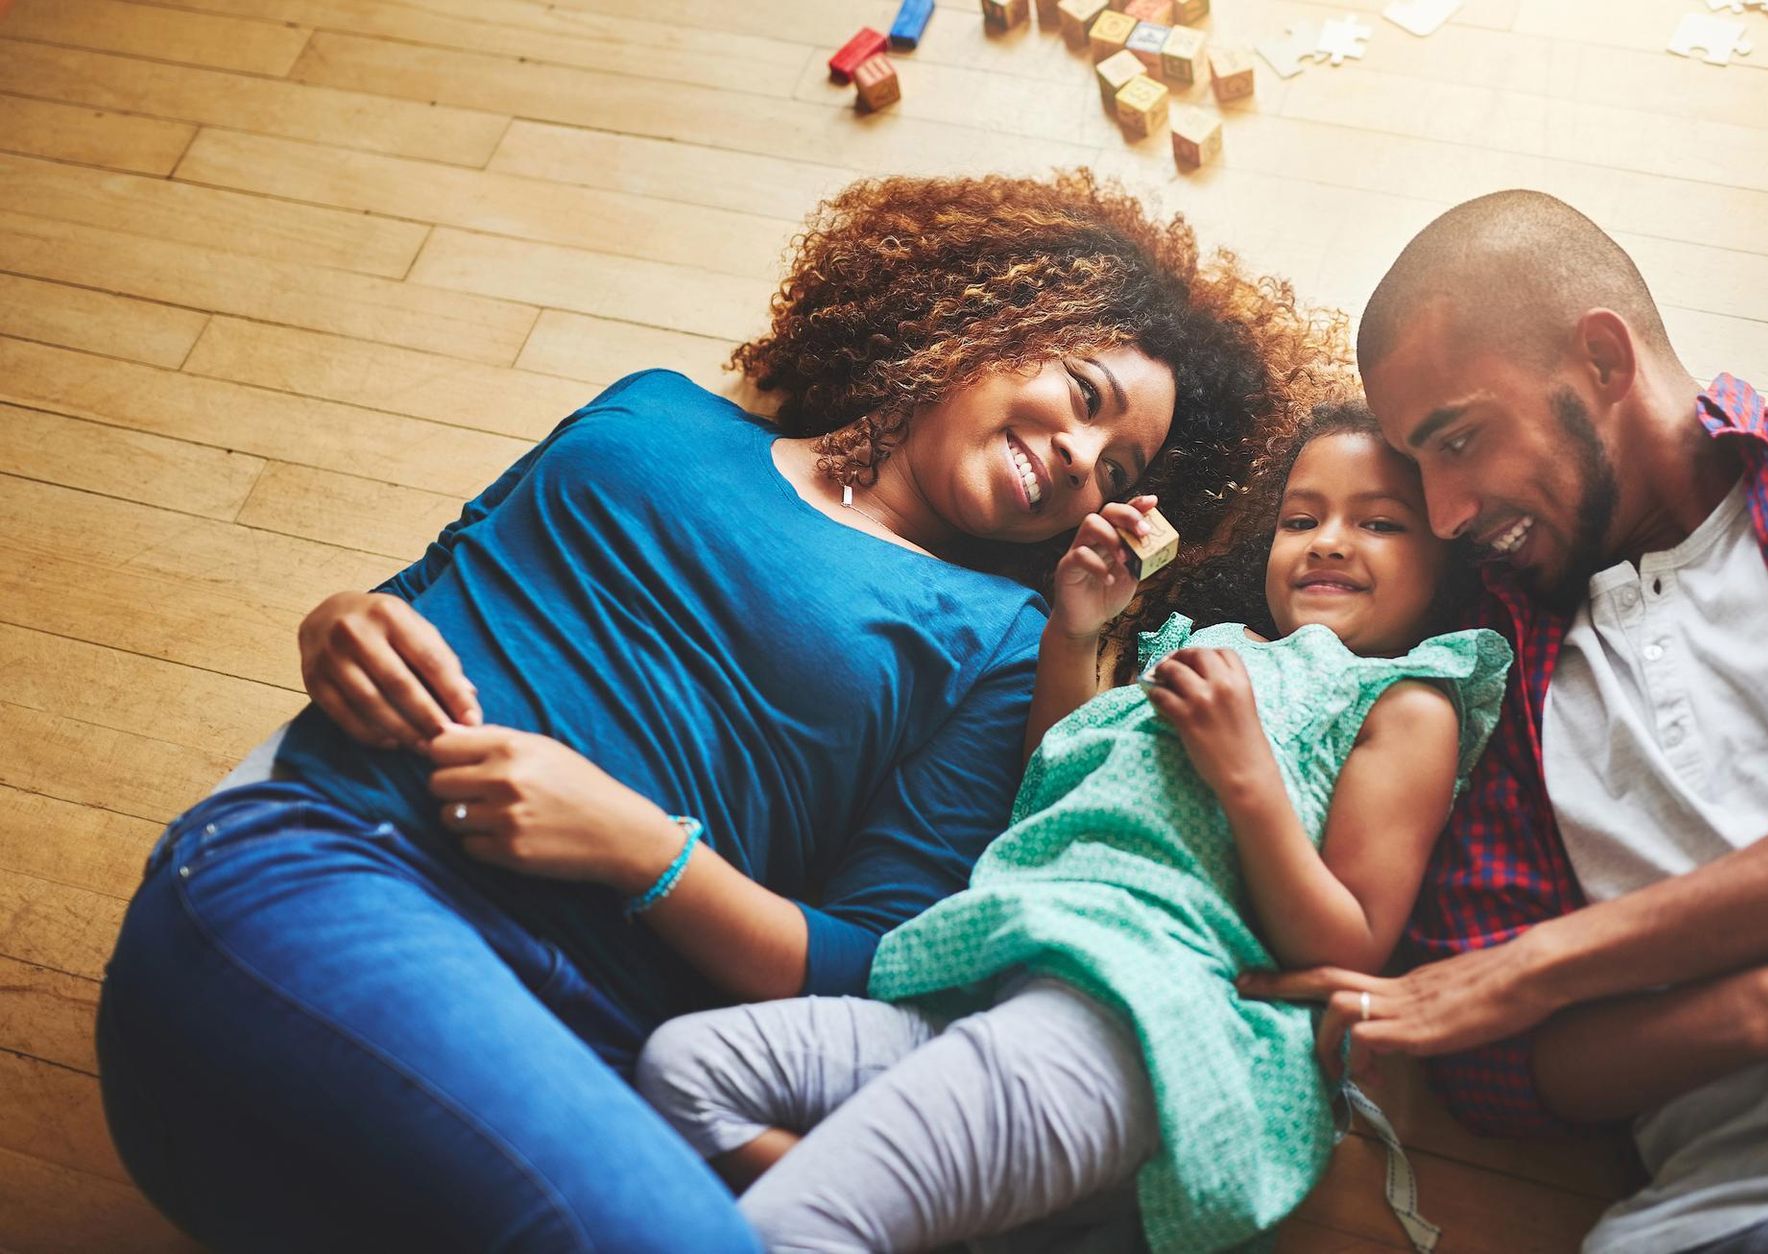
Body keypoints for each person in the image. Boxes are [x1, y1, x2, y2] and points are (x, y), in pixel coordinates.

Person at [93, 170, 1349, 1253]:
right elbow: (433, 588)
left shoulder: (1001, 643)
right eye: (1082, 394)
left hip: (587, 1051)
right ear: (983, 320)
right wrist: (337, 624)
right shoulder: (652, 413)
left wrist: (642, 849)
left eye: (1116, 470)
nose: (1083, 459)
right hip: (351, 868)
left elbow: (877, 961)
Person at [635, 402, 1513, 1253]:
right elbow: (1056, 776)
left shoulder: (1405, 697)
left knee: (800, 1224)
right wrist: (1077, 627)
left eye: (1381, 525)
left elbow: (1350, 946)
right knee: (684, 1070)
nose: (1328, 540)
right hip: (1002, 976)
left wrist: (1246, 775)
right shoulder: (1201, 645)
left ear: (1448, 562)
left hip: (1141, 1022)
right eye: (1300, 518)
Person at [1244, 190, 1768, 1254]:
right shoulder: (1493, 679)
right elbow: (1492, 1065)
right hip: (1714, 1221)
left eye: (1458, 441)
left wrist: (1548, 963)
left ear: (1604, 361)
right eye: (1420, 474)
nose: (1450, 512)